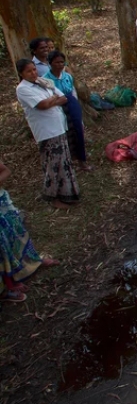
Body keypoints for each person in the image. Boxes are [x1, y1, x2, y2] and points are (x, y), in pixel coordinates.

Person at [15, 59, 80, 209]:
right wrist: (51, 99)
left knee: (64, 162)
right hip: (46, 131)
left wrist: (51, 100)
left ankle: (68, 194)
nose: (33, 73)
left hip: (58, 126)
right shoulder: (23, 89)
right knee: (53, 164)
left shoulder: (42, 82)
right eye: (29, 71)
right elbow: (42, 105)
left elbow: (63, 97)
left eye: (34, 69)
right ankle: (52, 197)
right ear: (21, 73)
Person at [0, 160, 60, 303]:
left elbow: (5, 171)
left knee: (16, 235)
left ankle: (30, 264)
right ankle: (8, 286)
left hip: (2, 204)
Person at [44, 51, 92, 172]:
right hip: (58, 106)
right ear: (50, 64)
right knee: (64, 134)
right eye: (56, 62)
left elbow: (73, 91)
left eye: (62, 62)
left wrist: (76, 105)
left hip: (71, 103)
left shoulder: (67, 76)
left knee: (78, 131)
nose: (60, 65)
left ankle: (82, 160)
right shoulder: (46, 79)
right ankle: (67, 162)